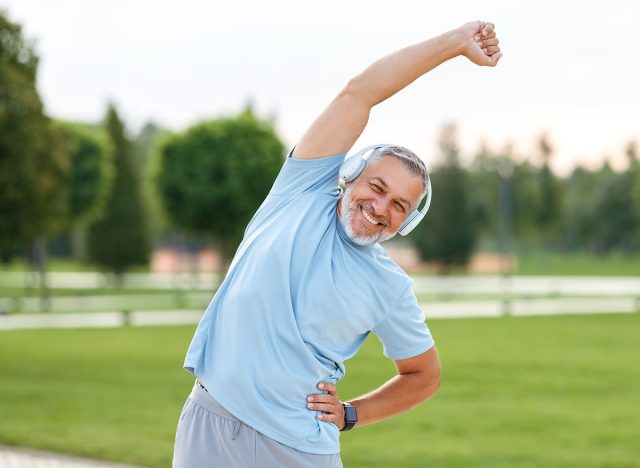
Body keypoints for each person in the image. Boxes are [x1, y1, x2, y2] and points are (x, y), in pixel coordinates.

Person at [173, 20, 502, 468]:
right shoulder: (301, 190)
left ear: (407, 221)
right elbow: (359, 92)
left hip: (296, 448)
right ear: (349, 175)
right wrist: (453, 44)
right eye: (378, 187)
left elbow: (423, 375)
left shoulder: (390, 286)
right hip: (210, 421)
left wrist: (352, 414)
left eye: (400, 205)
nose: (382, 207)